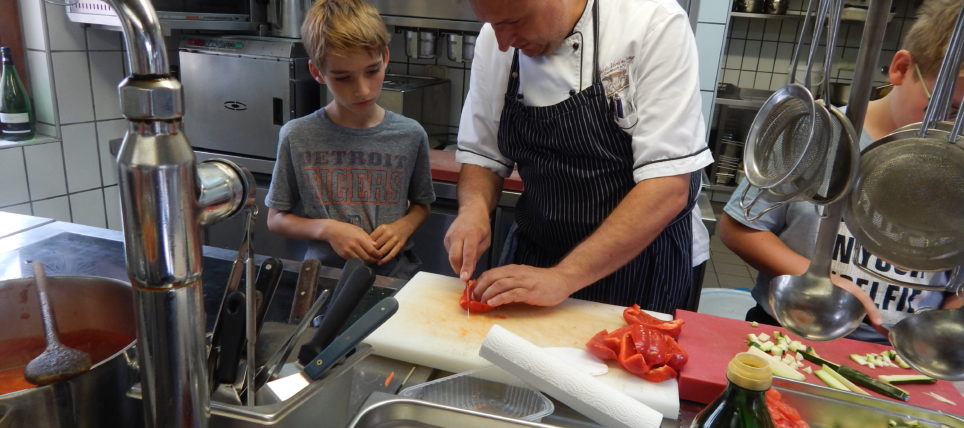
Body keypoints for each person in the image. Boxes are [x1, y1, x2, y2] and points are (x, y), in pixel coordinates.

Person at [719, 0, 964, 345]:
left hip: (902, 353)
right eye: (949, 110)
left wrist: (947, 323)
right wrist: (817, 276)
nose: (951, 130)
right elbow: (739, 228)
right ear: (902, 68)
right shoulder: (817, 137)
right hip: (789, 331)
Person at [444, 0, 714, 313]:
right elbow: (482, 154)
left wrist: (565, 276)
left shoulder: (652, 23)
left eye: (516, 21)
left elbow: (667, 188)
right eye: (493, 25)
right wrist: (473, 210)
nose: (503, 41)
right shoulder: (497, 40)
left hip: (638, 264)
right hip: (537, 253)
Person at [265, 0, 435, 279]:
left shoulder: (411, 134)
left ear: (386, 57)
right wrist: (327, 229)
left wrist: (403, 227)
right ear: (317, 72)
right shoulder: (297, 136)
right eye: (343, 77)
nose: (363, 90)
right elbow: (276, 218)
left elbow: (421, 205)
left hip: (395, 280)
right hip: (323, 280)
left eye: (372, 71)